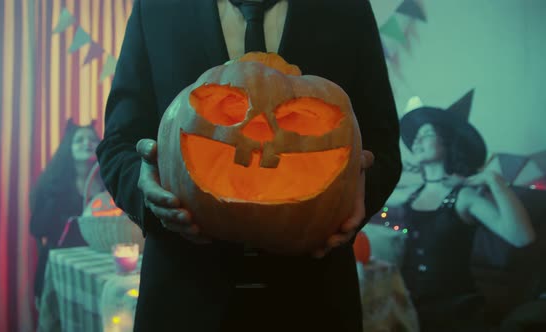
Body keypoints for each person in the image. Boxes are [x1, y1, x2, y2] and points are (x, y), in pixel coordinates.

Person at [96, 1, 402, 331]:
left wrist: (358, 193)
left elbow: (382, 147)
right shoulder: (156, 9)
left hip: (314, 299)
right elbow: (118, 144)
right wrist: (147, 191)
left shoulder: (347, 8)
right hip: (184, 299)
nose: (261, 134)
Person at [386, 104, 536, 331]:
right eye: (415, 137)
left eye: (426, 134)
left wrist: (493, 180)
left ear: (446, 143)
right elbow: (368, 194)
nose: (416, 141)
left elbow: (521, 237)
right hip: (410, 309)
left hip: (456, 314)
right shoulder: (410, 195)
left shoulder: (464, 197)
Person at [29, 119, 104, 302]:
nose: (86, 143)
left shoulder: (107, 184)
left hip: (96, 266)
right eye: (79, 140)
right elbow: (38, 229)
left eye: (92, 140)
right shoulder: (53, 185)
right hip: (58, 266)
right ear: (68, 148)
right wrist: (52, 198)